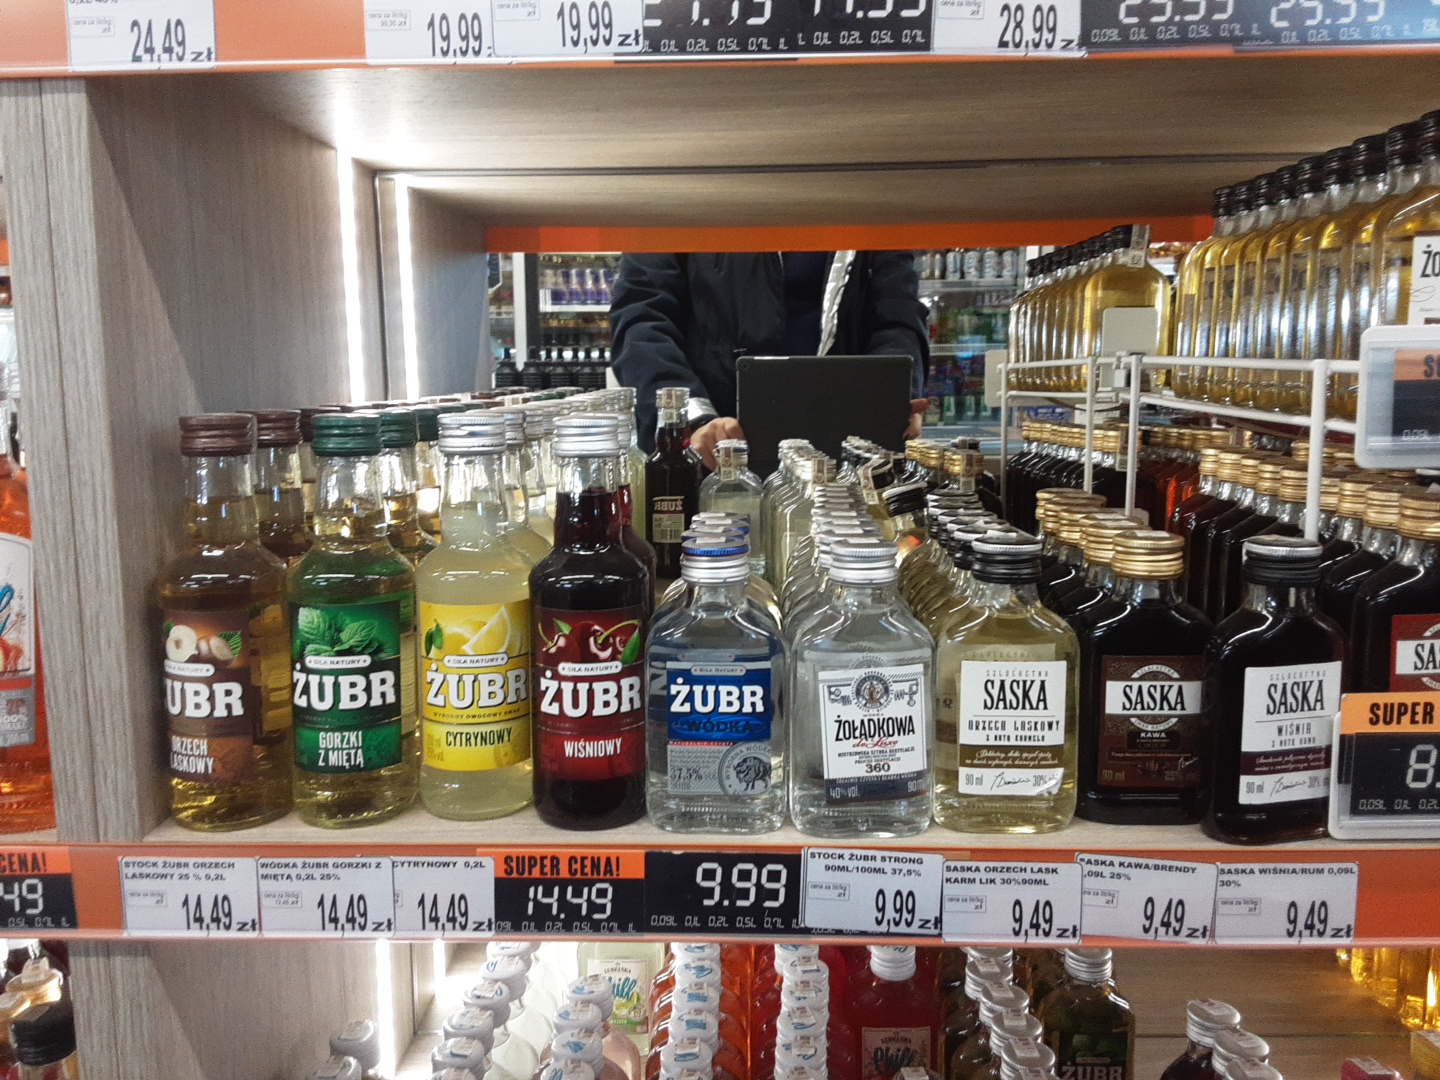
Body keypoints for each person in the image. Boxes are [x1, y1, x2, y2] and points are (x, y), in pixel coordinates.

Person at [608, 251, 930, 467]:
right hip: (711, 444)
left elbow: (897, 316)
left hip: (847, 443)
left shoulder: (866, 186)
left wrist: (892, 393)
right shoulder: (682, 183)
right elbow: (643, 320)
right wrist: (689, 418)